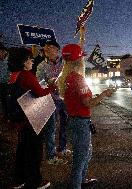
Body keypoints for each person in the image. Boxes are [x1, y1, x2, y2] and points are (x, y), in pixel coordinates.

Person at [57, 44, 115, 189]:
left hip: (73, 121)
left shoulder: (66, 78)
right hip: (81, 124)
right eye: (82, 57)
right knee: (80, 159)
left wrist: (96, 95)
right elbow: (88, 103)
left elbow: (78, 99)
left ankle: (82, 181)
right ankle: (77, 184)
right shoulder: (78, 79)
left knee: (85, 154)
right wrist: (104, 94)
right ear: (79, 61)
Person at [8, 47, 55, 189]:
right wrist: (52, 87)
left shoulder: (14, 74)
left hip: (20, 119)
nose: (32, 60)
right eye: (29, 58)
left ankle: (18, 180)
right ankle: (35, 181)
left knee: (22, 150)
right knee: (34, 152)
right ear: (23, 62)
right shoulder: (26, 75)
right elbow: (40, 92)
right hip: (31, 119)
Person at [36, 40, 69, 165]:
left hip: (65, 99)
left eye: (49, 47)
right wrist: (49, 82)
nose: (46, 50)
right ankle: (51, 156)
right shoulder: (41, 66)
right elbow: (39, 83)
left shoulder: (66, 63)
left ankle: (62, 148)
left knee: (65, 125)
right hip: (50, 100)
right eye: (45, 48)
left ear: (57, 49)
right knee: (51, 128)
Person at [0, 42, 9, 121]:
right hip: (1, 84)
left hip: (9, 84)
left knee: (8, 100)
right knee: (3, 100)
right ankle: (5, 115)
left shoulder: (9, 60)